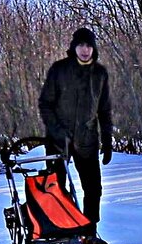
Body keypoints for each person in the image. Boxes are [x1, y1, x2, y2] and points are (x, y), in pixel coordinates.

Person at [38, 27, 113, 229]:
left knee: (93, 189)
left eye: (88, 45)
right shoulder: (59, 70)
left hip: (87, 139)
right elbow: (45, 104)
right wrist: (57, 131)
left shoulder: (100, 74)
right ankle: (63, 231)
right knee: (56, 189)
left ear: (93, 48)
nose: (85, 50)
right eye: (81, 45)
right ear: (74, 47)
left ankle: (89, 231)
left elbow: (104, 110)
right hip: (58, 141)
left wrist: (107, 140)